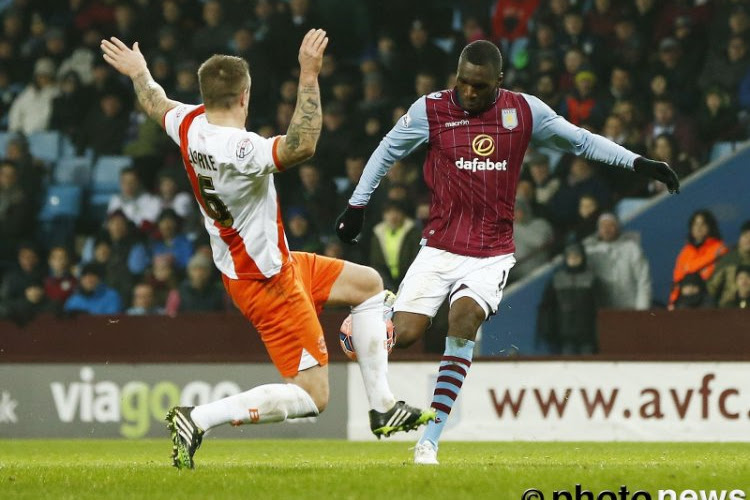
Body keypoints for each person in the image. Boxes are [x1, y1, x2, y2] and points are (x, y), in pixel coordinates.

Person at [101, 30, 433, 470]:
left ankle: (384, 407)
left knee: (369, 285)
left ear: (205, 95)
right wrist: (310, 73)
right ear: (245, 96)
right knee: (315, 395)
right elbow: (303, 145)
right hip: (267, 279)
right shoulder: (241, 149)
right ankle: (197, 418)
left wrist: (139, 71)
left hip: (269, 263)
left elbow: (154, 101)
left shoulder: (188, 125)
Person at [335, 40, 679, 465]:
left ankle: (430, 440)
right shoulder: (431, 109)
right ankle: (382, 313)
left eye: (479, 86)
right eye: (463, 82)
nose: (469, 93)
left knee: (463, 320)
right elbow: (387, 149)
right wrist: (357, 204)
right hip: (439, 246)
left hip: (491, 252)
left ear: (499, 81)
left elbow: (581, 142)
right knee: (403, 337)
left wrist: (641, 163)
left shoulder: (524, 111)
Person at [537, 240, 599, 354]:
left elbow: (599, 307)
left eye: (577, 256)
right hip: (564, 333)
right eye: (571, 257)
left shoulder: (591, 279)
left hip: (587, 333)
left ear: (583, 257)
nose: (574, 259)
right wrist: (548, 328)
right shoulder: (557, 280)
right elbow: (548, 307)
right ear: (566, 258)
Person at [585, 213, 653, 310]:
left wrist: (641, 311)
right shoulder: (591, 252)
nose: (607, 229)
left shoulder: (632, 249)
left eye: (610, 225)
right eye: (603, 226)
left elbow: (643, 282)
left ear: (618, 228)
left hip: (630, 310)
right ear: (598, 230)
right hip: (603, 312)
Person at [669, 209, 729, 307]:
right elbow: (677, 279)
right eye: (695, 224)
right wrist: (672, 301)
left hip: (710, 296)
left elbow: (716, 278)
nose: (698, 228)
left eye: (702, 224)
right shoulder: (686, 251)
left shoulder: (719, 248)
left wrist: (689, 268)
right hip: (685, 299)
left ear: (710, 227)